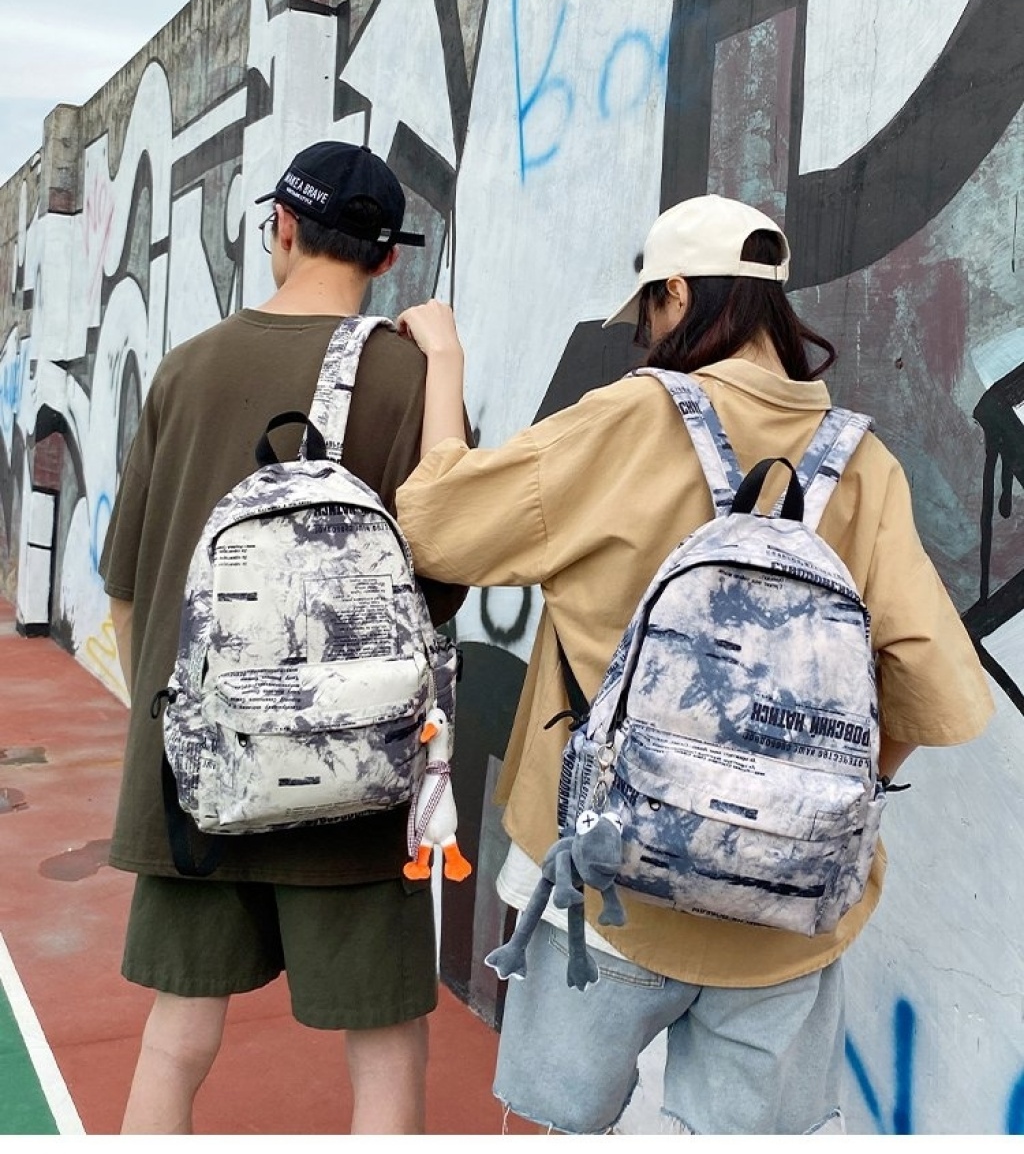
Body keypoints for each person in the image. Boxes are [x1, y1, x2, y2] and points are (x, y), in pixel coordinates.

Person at [395, 194, 995, 1136]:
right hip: (784, 913)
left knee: (565, 1124)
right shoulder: (864, 462)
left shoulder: (630, 419)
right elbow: (933, 685)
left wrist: (445, 363)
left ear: (674, 293)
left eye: (649, 309)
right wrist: (813, 802)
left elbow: (438, 527)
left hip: (604, 884)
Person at [99, 140, 467, 1137]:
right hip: (357, 771)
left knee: (177, 1037)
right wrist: (445, 367)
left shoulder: (186, 368)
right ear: (386, 258)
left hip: (198, 782)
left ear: (284, 227)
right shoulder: (407, 375)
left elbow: (127, 593)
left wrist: (194, 734)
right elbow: (447, 567)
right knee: (385, 1045)